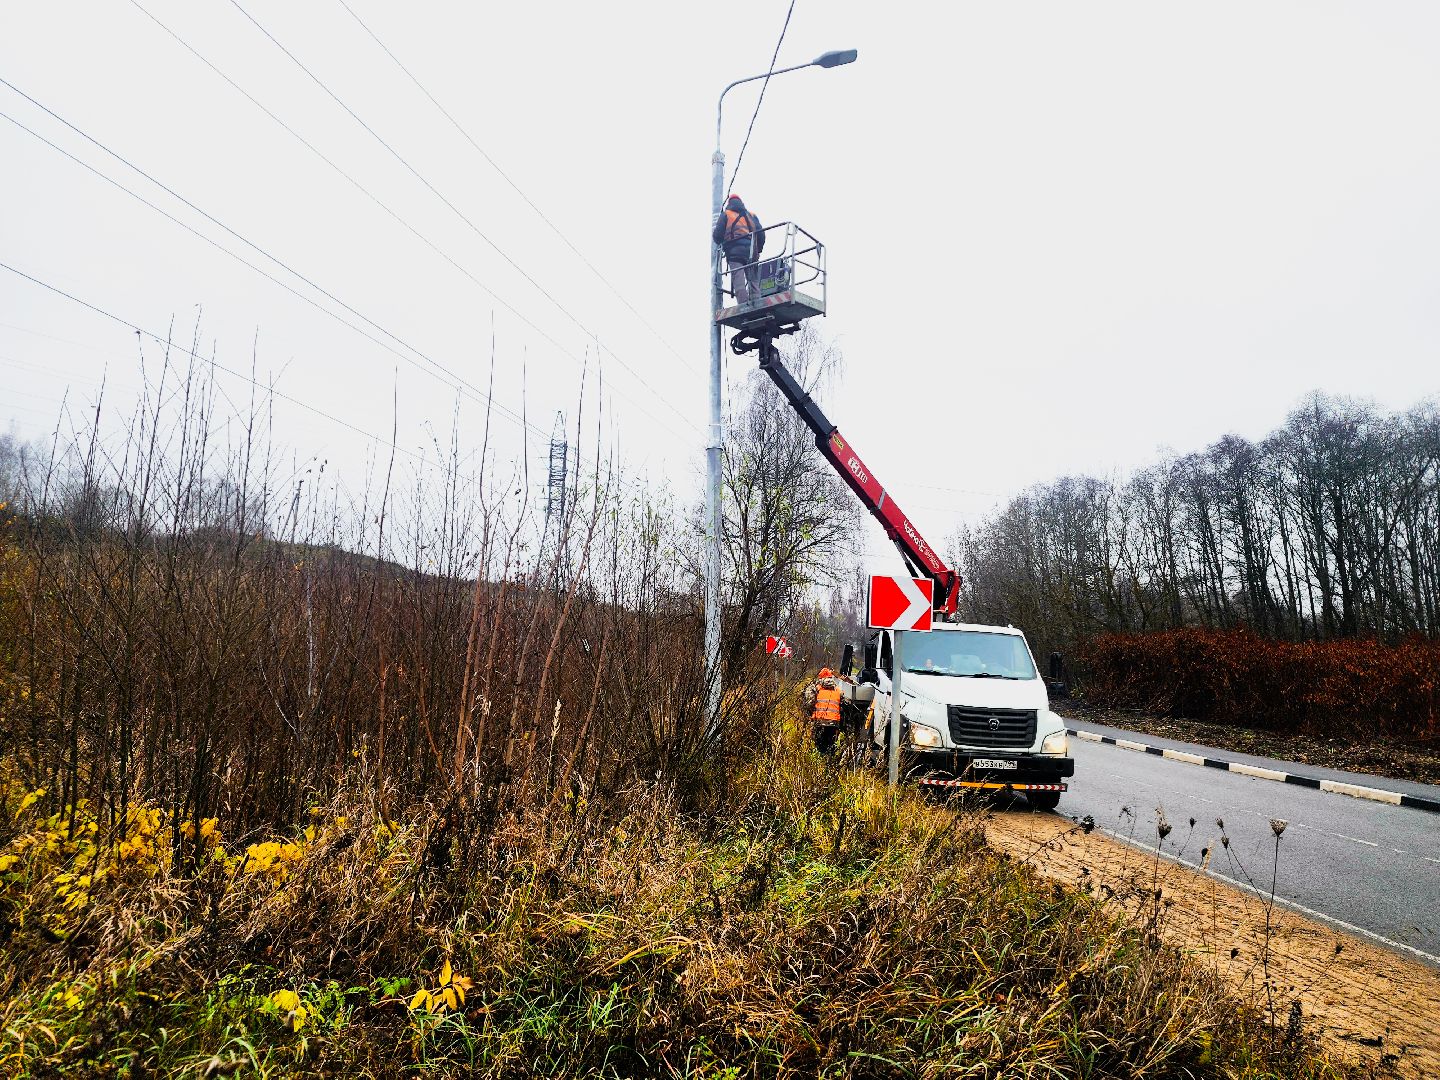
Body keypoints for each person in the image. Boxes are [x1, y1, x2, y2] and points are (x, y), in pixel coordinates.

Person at [712, 194, 765, 304]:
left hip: (734, 253)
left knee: (739, 281)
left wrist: (721, 242)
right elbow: (761, 235)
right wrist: (758, 250)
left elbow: (717, 236)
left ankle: (743, 305)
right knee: (753, 280)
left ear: (729, 203)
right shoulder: (751, 215)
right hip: (751, 252)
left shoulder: (726, 214)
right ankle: (757, 302)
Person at [802, 666, 845, 756]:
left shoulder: (816, 688)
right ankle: (830, 763)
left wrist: (811, 713)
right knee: (831, 744)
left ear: (820, 678)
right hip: (833, 723)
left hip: (819, 721)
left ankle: (819, 763)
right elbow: (842, 705)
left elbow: (809, 703)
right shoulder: (838, 690)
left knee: (820, 744)